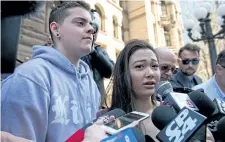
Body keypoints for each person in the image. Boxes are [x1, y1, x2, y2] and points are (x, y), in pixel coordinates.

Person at [1, 1, 107, 142]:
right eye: (80, 23)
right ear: (56, 29)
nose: (91, 30)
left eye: (91, 25)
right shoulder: (29, 79)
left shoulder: (91, 83)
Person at [107, 39, 214, 141]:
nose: (150, 73)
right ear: (123, 74)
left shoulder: (179, 110)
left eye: (154, 66)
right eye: (139, 66)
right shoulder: (109, 122)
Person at [81, 10, 114, 107]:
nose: (91, 32)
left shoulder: (99, 50)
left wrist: (94, 53)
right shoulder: (75, 47)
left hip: (96, 104)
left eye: (94, 29)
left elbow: (110, 71)